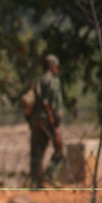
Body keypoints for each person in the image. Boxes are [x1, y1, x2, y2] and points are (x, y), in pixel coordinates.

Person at [28, 54, 65, 189]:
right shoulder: (53, 82)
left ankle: (34, 182)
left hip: (36, 120)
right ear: (53, 66)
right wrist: (57, 124)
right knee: (60, 151)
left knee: (36, 152)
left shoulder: (36, 81)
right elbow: (56, 105)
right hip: (49, 120)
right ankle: (48, 178)